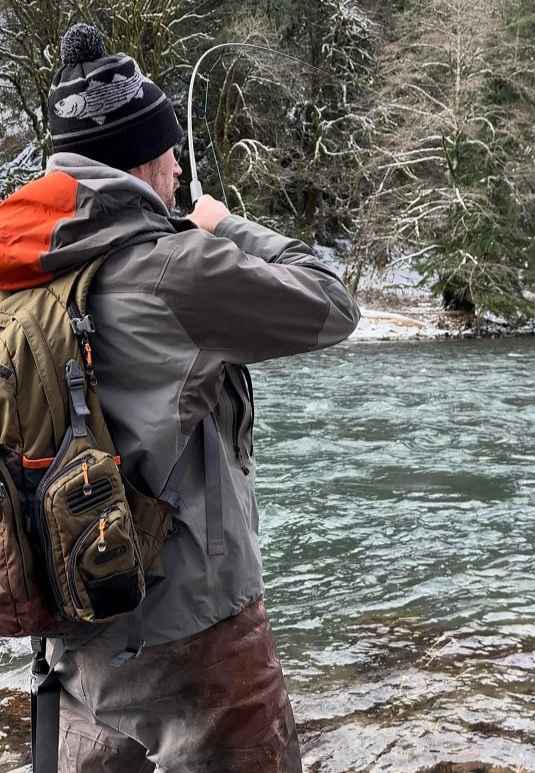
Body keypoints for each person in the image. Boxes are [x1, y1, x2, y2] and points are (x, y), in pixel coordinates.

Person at [7, 23, 359, 772]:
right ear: (140, 159)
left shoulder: (22, 268)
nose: (175, 172)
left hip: (73, 623)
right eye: (169, 156)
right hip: (192, 634)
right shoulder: (176, 269)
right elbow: (331, 304)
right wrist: (225, 225)